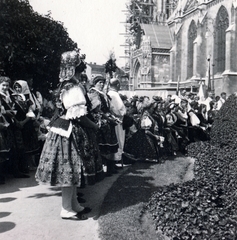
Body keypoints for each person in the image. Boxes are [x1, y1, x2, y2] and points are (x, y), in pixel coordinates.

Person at [36, 49, 96, 220]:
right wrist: (93, 126)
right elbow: (78, 114)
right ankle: (66, 209)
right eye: (80, 69)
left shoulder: (66, 85)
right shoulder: (72, 87)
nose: (81, 72)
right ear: (73, 69)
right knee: (68, 170)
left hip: (64, 130)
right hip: (67, 133)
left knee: (73, 170)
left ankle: (74, 204)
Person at [88, 75, 119, 176]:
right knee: (101, 145)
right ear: (95, 83)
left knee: (110, 144)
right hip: (99, 120)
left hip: (107, 120)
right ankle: (102, 169)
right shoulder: (93, 93)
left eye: (103, 83)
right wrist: (109, 118)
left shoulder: (103, 94)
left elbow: (108, 109)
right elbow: (97, 110)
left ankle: (110, 166)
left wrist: (113, 118)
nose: (101, 84)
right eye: (99, 83)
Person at [0, 76, 29, 178]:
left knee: (14, 147)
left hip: (11, 123)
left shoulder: (9, 96)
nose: (5, 87)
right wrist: (6, 112)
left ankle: (16, 170)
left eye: (7, 85)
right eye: (3, 85)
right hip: (2, 124)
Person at [107, 78, 126, 167]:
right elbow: (119, 108)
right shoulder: (114, 94)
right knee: (119, 139)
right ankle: (117, 159)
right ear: (117, 85)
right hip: (117, 120)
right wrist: (123, 114)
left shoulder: (109, 93)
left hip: (112, 119)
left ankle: (115, 159)